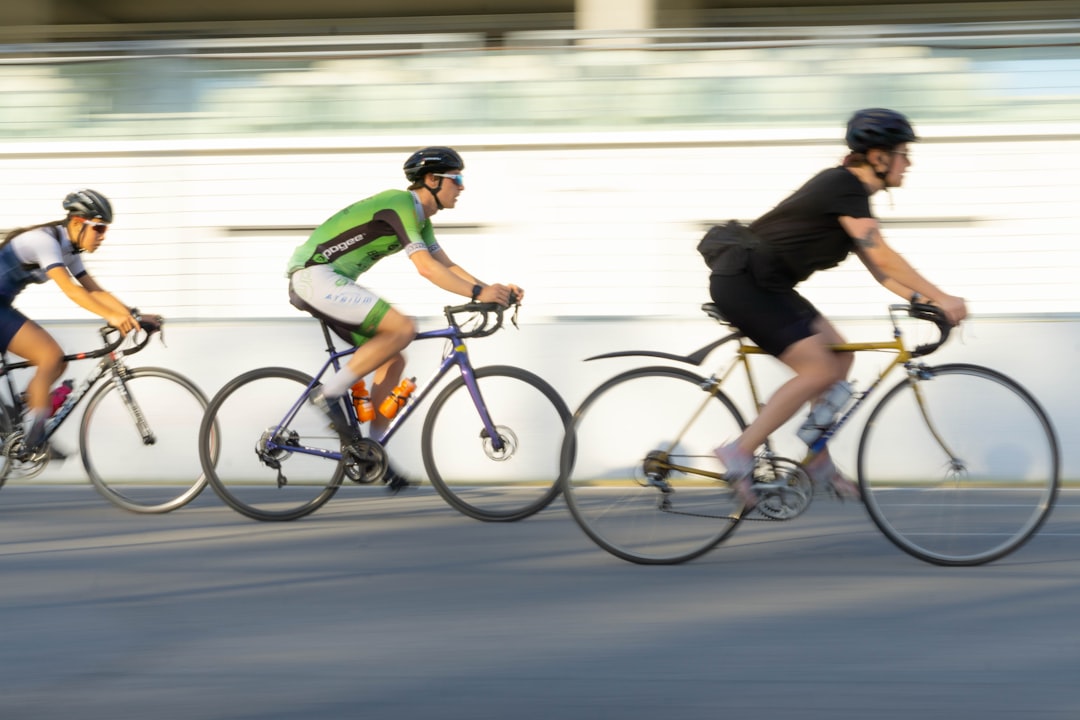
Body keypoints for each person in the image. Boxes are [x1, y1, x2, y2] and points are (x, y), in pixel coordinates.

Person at [707, 108, 968, 507]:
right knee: (819, 368)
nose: (908, 162)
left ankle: (817, 460)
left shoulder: (852, 197)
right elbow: (883, 257)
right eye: (902, 152)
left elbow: (881, 274)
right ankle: (739, 451)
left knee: (839, 359)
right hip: (745, 283)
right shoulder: (842, 186)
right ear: (878, 156)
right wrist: (944, 297)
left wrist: (926, 302)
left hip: (766, 284)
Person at [286, 146, 524, 491]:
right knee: (403, 328)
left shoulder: (421, 219)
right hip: (314, 275)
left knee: (393, 358)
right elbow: (426, 269)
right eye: (456, 179)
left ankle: (373, 452)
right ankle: (328, 395)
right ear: (431, 180)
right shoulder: (400, 203)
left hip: (327, 281)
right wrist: (477, 294)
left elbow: (446, 265)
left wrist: (493, 291)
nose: (462, 187)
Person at [0, 189, 149, 457]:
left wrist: (135, 315)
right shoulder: (43, 241)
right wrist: (111, 316)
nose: (103, 236)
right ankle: (34, 440)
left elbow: (93, 290)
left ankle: (17, 419)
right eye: (100, 228)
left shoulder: (68, 248)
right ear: (79, 223)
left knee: (56, 362)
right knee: (49, 356)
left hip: (2, 306)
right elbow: (70, 289)